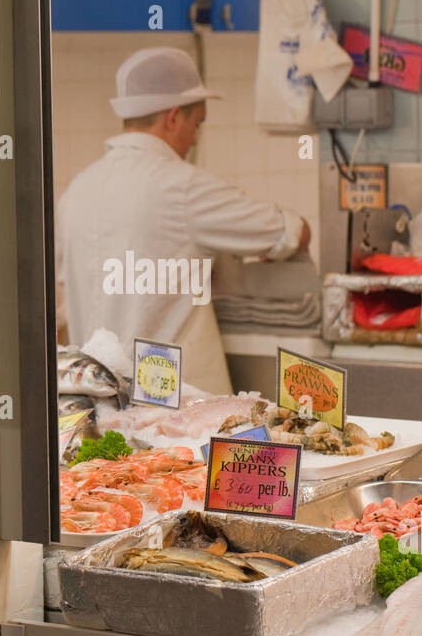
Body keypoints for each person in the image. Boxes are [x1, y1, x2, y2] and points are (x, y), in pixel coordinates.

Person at [56, 47, 311, 395]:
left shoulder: (77, 190)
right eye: (196, 123)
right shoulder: (183, 187)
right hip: (179, 408)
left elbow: (63, 290)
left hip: (100, 400)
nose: (194, 138)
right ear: (173, 117)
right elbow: (291, 231)